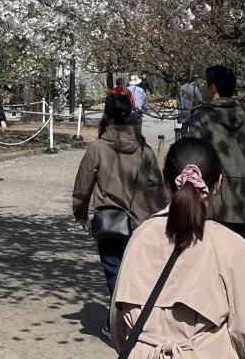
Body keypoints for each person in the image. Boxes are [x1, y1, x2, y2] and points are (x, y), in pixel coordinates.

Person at [110, 136, 245, 358]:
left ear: (167, 183)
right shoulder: (230, 246)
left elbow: (118, 325)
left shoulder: (140, 237)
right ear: (219, 184)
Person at [73, 88, 166, 337]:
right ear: (131, 115)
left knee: (115, 274)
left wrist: (80, 212)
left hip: (110, 221)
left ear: (106, 116)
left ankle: (124, 324)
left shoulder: (97, 148)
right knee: (137, 273)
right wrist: (160, 220)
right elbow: (156, 189)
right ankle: (123, 322)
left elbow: (83, 185)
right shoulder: (145, 150)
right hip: (142, 223)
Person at [185, 65, 245, 241]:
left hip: (214, 204)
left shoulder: (203, 118)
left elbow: (190, 160)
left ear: (213, 87)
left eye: (205, 84)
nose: (202, 88)